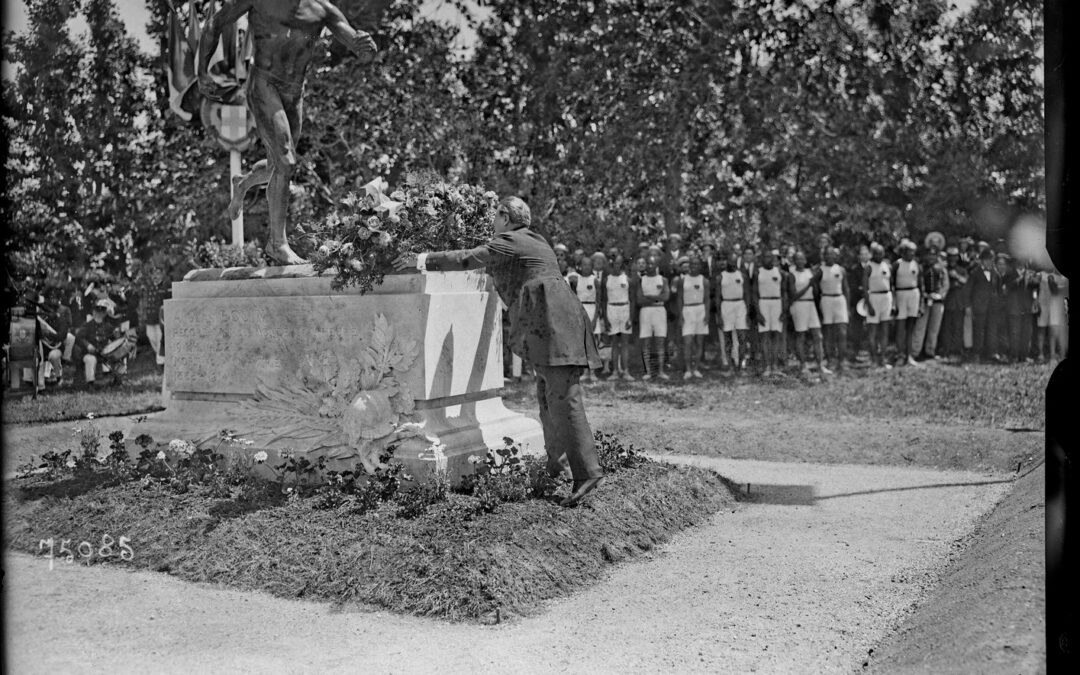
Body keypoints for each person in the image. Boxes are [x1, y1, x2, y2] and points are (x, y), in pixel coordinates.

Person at [394, 196, 605, 507]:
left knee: (563, 397)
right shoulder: (534, 239)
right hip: (554, 325)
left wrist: (421, 259)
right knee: (548, 396)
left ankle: (587, 472)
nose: (492, 224)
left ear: (505, 217)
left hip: (553, 326)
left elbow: (470, 258)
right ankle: (555, 467)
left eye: (495, 217)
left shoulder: (511, 240)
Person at [199, 0, 379, 265]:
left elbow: (355, 42)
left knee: (278, 164)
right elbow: (215, 23)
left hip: (295, 93)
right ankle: (277, 244)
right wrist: (203, 71)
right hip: (264, 83)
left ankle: (244, 183)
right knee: (286, 160)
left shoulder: (322, 9)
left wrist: (367, 48)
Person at [787, 251, 829, 377]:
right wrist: (808, 285)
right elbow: (793, 295)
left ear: (805, 260)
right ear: (794, 261)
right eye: (797, 259)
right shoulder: (791, 275)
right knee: (801, 336)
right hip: (799, 305)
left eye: (802, 259)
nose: (800, 261)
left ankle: (820, 365)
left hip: (811, 305)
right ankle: (803, 365)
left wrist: (814, 283)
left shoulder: (809, 272)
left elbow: (814, 290)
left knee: (818, 335)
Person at [75, 300, 126, 387]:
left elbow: (114, 338)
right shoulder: (87, 325)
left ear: (104, 314)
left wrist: (116, 334)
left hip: (103, 354)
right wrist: (88, 345)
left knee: (118, 357)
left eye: (102, 312)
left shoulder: (107, 326)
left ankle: (118, 381)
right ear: (93, 312)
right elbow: (79, 338)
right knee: (90, 359)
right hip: (89, 353)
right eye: (97, 312)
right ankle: (90, 383)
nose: (99, 314)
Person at [911, 245, 949, 361]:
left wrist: (940, 295)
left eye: (934, 255)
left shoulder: (941, 268)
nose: (931, 257)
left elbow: (945, 285)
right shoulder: (921, 268)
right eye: (929, 255)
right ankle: (915, 351)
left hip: (937, 300)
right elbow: (918, 283)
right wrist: (925, 295)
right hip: (924, 300)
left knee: (934, 327)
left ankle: (930, 350)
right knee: (920, 327)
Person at [600, 254, 635, 380]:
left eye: (619, 263)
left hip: (624, 309)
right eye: (615, 263)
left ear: (622, 264)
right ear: (611, 264)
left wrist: (630, 317)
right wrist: (605, 318)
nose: (617, 266)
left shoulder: (627, 279)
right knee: (614, 343)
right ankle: (614, 371)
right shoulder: (606, 280)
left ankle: (626, 371)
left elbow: (632, 299)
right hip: (611, 310)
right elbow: (603, 301)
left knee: (624, 343)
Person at [637, 253, 671, 380]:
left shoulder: (663, 280)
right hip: (645, 312)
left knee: (660, 341)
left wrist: (649, 297)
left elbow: (666, 297)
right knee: (646, 341)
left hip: (659, 311)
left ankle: (661, 371)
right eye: (648, 264)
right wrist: (657, 298)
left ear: (657, 265)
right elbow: (640, 300)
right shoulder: (642, 279)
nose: (650, 266)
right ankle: (648, 371)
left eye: (652, 263)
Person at [753, 250, 787, 377]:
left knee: (776, 336)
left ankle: (775, 366)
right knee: (765, 336)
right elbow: (754, 293)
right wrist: (758, 312)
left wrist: (784, 309)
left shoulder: (779, 272)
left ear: (774, 259)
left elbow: (784, 292)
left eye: (770, 257)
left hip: (777, 303)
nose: (768, 259)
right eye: (766, 257)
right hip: (763, 303)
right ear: (762, 259)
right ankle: (767, 366)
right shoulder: (758, 272)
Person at [816, 246, 850, 372]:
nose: (830, 257)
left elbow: (846, 288)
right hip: (826, 300)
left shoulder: (841, 269)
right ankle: (830, 360)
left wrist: (847, 307)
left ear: (836, 256)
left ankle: (842, 360)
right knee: (828, 332)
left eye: (832, 254)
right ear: (824, 256)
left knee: (842, 332)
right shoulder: (820, 270)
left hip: (839, 300)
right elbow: (815, 288)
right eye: (827, 254)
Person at [716, 250, 750, 372]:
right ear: (726, 262)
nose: (732, 263)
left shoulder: (742, 275)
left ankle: (740, 365)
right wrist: (719, 315)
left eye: (734, 261)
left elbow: (747, 294)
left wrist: (748, 313)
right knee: (728, 338)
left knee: (742, 337)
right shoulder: (720, 277)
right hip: (726, 305)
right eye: (730, 261)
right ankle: (731, 365)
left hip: (740, 306)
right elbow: (717, 297)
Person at [891, 241, 923, 367]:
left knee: (911, 327)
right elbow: (891, 284)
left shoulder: (916, 264)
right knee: (900, 327)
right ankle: (900, 355)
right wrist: (893, 303)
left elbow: (921, 285)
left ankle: (909, 356)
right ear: (903, 251)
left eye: (913, 251)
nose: (911, 254)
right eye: (909, 251)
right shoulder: (897, 264)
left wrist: (921, 304)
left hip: (913, 295)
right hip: (900, 295)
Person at [676, 258, 710, 379]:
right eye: (692, 264)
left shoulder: (704, 280)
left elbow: (707, 299)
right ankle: (688, 369)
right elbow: (679, 298)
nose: (694, 266)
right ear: (689, 266)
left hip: (700, 309)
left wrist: (707, 314)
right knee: (688, 342)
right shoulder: (683, 280)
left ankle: (696, 369)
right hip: (687, 310)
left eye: (697, 264)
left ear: (700, 266)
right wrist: (681, 315)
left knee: (699, 342)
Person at [967, 248, 1001, 362]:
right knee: (979, 330)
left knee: (992, 329)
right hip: (979, 306)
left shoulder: (995, 273)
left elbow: (998, 290)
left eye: (992, 260)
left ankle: (992, 353)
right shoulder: (975, 273)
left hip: (992, 307)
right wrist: (970, 306)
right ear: (982, 260)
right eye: (987, 260)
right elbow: (969, 290)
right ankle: (977, 353)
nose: (990, 262)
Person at [863, 243, 894, 368]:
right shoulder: (868, 267)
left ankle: (883, 359)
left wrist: (893, 303)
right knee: (873, 331)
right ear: (872, 254)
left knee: (885, 331)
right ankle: (874, 359)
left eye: (881, 253)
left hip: (886, 298)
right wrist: (868, 305)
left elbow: (891, 285)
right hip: (873, 298)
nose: (879, 255)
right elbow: (865, 288)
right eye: (876, 253)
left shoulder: (887, 265)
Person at [573, 256, 601, 381]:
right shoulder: (576, 280)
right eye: (584, 265)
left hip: (592, 309)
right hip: (580, 310)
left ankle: (593, 371)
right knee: (583, 343)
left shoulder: (595, 280)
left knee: (593, 342)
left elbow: (599, 301)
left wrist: (595, 318)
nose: (586, 267)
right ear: (580, 266)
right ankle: (585, 371)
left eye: (589, 265)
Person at [941, 247, 969, 358]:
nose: (952, 259)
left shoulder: (961, 270)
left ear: (957, 258)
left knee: (958, 327)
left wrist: (956, 277)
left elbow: (966, 282)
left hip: (959, 302)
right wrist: (955, 284)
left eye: (954, 257)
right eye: (950, 257)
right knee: (946, 327)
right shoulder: (944, 269)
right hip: (947, 301)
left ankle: (957, 349)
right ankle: (946, 349)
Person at [1036, 268, 1069, 362]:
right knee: (1047, 331)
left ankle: (1060, 355)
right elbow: (1053, 290)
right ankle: (1046, 355)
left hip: (1059, 307)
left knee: (1059, 332)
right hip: (1048, 306)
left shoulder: (1062, 278)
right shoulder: (1043, 275)